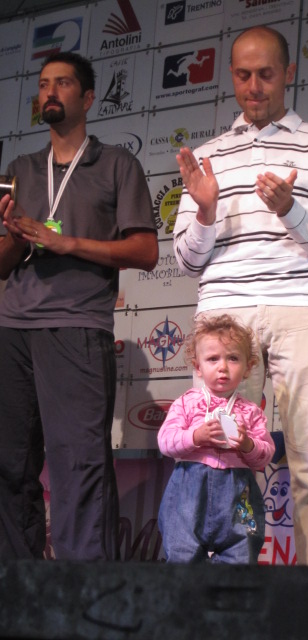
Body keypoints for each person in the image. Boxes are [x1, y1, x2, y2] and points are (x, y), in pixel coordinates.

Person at [173, 26, 308, 565]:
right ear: (232, 75)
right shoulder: (207, 157)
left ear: (289, 73)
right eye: (244, 75)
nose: (254, 87)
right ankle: (227, 584)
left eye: (267, 74)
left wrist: (289, 209)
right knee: (218, 459)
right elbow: (186, 260)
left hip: (305, 305)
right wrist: (205, 211)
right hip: (225, 312)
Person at [0, 51, 158, 560]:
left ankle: (84, 590)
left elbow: (145, 251)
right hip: (12, 327)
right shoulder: (19, 170)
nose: (50, 91)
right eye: (44, 83)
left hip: (76, 325)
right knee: (10, 463)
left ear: (88, 98)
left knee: (78, 464)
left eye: (63, 83)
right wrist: (17, 238)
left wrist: (67, 243)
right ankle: (18, 585)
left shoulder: (117, 164)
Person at [158, 313, 274, 563]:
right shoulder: (186, 403)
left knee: (242, 555)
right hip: (188, 491)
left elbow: (265, 456)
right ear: (198, 367)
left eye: (233, 358)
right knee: (182, 556)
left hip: (238, 492)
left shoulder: (251, 411)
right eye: (213, 359)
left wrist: (248, 445)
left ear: (248, 367)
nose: (223, 367)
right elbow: (165, 441)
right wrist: (195, 436)